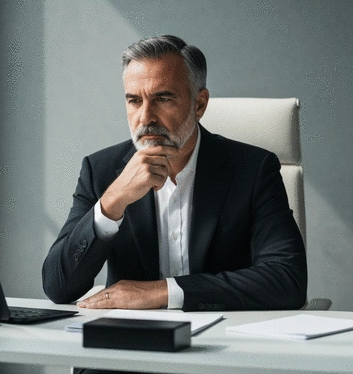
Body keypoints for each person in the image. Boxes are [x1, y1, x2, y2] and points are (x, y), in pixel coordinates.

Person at [42, 35, 307, 314]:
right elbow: (57, 287)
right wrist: (112, 202)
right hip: (131, 340)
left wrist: (162, 292)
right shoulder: (101, 171)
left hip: (224, 338)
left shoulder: (253, 170)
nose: (145, 118)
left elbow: (287, 280)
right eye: (134, 101)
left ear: (199, 104)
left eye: (163, 99)